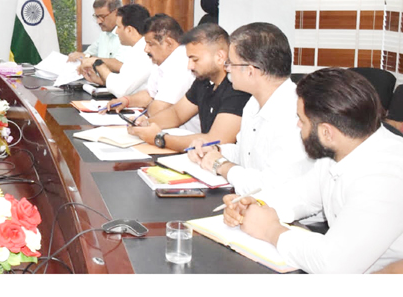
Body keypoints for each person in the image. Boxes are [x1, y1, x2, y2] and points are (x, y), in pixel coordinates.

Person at [222, 67, 403, 274]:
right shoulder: (344, 145)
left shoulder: (384, 177)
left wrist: (271, 230)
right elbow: (302, 196)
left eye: (302, 119)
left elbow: (332, 264)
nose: (298, 125)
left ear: (327, 132)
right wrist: (252, 205)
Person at [186, 22, 314, 196]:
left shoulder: (296, 115)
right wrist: (215, 150)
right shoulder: (253, 103)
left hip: (280, 207)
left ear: (250, 71)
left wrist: (221, 165)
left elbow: (269, 186)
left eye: (231, 64)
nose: (227, 69)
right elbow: (245, 154)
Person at [127, 23, 251, 152]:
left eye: (195, 60)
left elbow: (216, 140)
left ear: (219, 57)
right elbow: (177, 114)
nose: (190, 66)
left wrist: (160, 138)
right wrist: (146, 124)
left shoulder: (237, 89)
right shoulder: (204, 81)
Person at [106, 14, 198, 132]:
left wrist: (147, 110)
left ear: (169, 43)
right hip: (167, 130)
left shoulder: (181, 63)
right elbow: (150, 94)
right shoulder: (161, 60)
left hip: (186, 135)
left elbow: (159, 109)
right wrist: (127, 101)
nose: (146, 49)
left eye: (150, 44)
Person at [78, 4, 152, 98]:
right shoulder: (136, 49)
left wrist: (98, 63)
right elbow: (124, 81)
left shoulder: (144, 52)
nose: (116, 32)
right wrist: (100, 81)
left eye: (118, 27)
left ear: (129, 30)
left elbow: (121, 90)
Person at [67, 0, 125, 71]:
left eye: (102, 16)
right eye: (96, 17)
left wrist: (90, 59)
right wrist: (79, 56)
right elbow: (88, 54)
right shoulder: (104, 34)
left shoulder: (127, 34)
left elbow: (120, 65)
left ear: (116, 13)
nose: (98, 21)